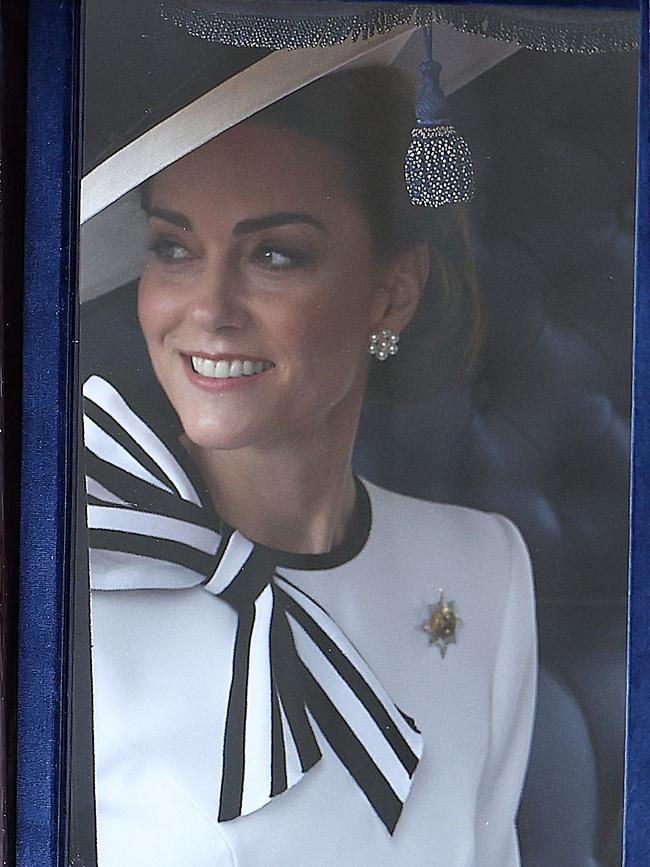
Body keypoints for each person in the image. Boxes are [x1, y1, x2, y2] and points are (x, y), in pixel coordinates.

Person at [81, 63, 537, 867]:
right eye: (174, 247)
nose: (210, 309)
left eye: (276, 255)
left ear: (391, 293)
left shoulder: (485, 569)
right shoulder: (69, 582)